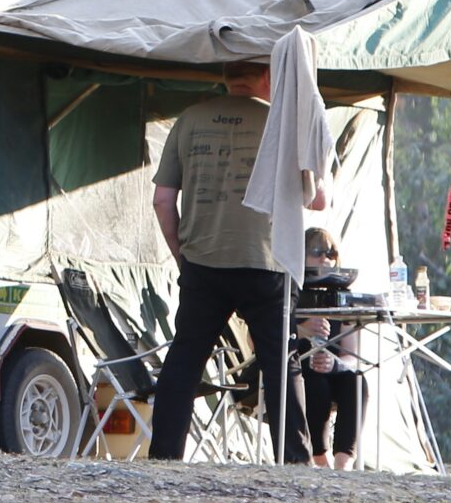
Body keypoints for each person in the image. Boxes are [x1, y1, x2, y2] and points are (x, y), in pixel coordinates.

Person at [146, 66, 327, 462]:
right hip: (267, 260)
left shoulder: (189, 119)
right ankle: (296, 462)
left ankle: (163, 459)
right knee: (282, 363)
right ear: (268, 76)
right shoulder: (282, 125)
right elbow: (317, 200)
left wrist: (183, 256)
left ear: (225, 74)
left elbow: (162, 200)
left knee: (185, 360)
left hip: (203, 260)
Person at [294, 225, 361, 469]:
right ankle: (319, 458)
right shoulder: (289, 291)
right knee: (313, 383)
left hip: (331, 367)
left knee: (356, 381)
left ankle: (344, 462)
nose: (324, 258)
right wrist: (301, 329)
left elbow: (353, 357)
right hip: (297, 368)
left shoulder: (343, 297)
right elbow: (256, 339)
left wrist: (337, 364)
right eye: (316, 251)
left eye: (330, 253)